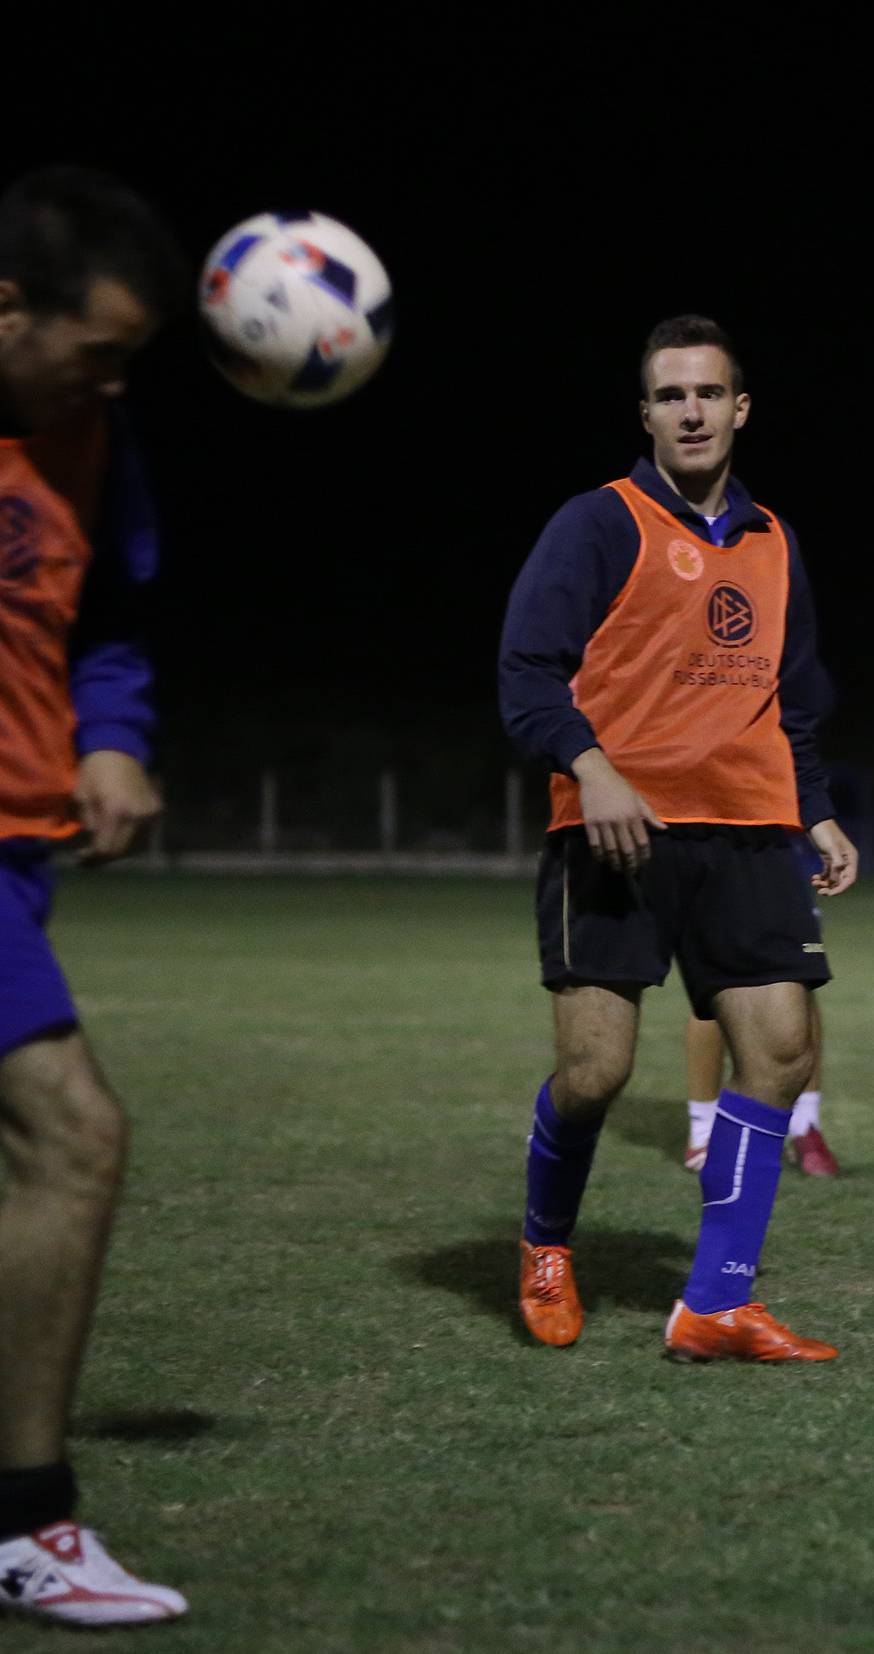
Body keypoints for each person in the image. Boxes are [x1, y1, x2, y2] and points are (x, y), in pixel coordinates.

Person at [499, 314, 857, 1362]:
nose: (690, 412)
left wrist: (818, 805)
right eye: (670, 396)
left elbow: (794, 702)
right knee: (598, 1071)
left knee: (780, 1053)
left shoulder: (774, 540)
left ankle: (715, 1301)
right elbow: (526, 673)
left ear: (740, 408)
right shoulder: (597, 524)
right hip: (616, 831)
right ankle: (546, 1243)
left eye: (708, 393)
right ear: (646, 413)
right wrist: (593, 766)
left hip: (749, 830)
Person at [0, 166, 189, 1627]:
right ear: (9, 309)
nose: (118, 380)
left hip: (21, 848)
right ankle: (28, 1518)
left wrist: (110, 737)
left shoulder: (97, 438)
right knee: (77, 1134)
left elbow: (114, 613)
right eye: (101, 348)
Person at [685, 846, 839, 1175]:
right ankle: (703, 1130)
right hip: (713, 844)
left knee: (802, 975)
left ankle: (805, 1126)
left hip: (784, 851)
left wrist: (823, 825)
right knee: (715, 981)